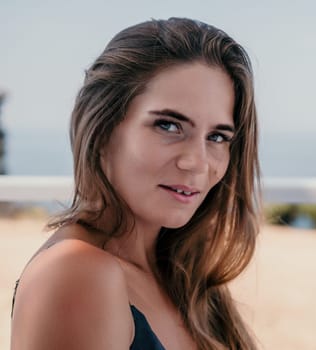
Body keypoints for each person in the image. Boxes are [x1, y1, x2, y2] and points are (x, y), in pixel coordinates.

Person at [11, 17, 261, 350]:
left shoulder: (178, 273)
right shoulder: (78, 272)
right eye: (169, 126)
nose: (198, 162)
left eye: (217, 136)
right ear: (103, 128)